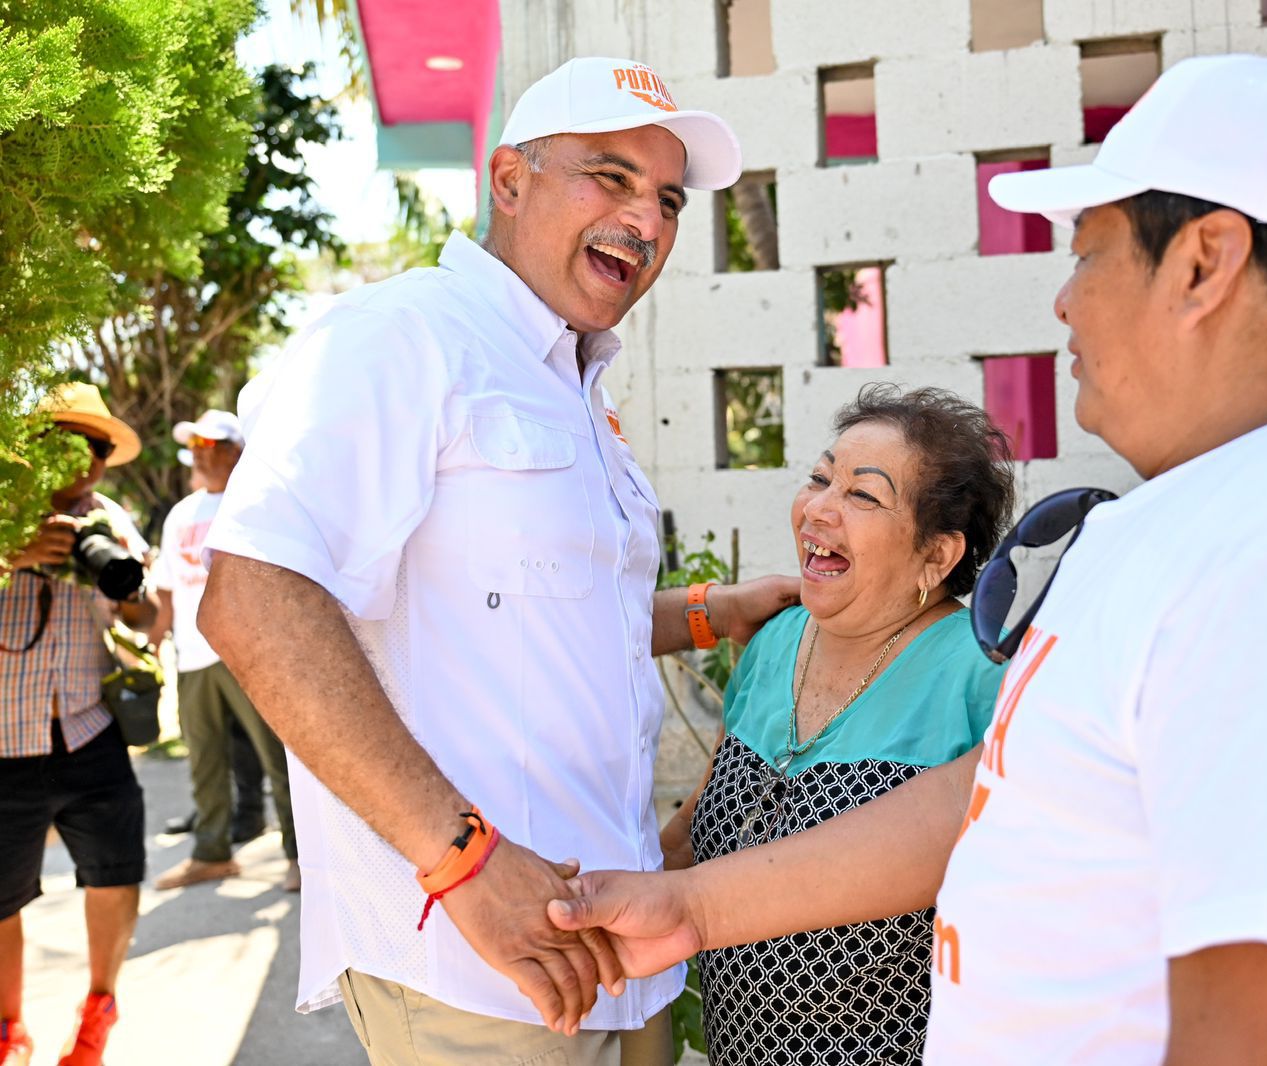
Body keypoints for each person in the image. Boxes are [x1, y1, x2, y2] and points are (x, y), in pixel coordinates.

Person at [548, 55, 1267, 1066]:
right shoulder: (1176, 531)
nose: (1064, 302)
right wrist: (693, 907)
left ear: (1203, 263)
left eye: (1090, 254)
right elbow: (994, 792)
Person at [195, 56, 797, 1066]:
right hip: (482, 968)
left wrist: (716, 609)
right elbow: (253, 596)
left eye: (666, 200)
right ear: (508, 182)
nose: (646, 222)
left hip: (618, 938)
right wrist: (462, 859)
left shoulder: (567, 374)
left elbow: (545, 607)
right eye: (609, 177)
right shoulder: (403, 335)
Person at [658, 384, 1011, 1065]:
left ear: (937, 556)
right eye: (821, 479)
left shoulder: (981, 674)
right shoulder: (777, 642)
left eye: (862, 496)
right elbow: (696, 828)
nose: (818, 508)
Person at [0, 383, 154, 1066]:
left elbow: (148, 619)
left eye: (96, 446)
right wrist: (12, 555)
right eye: (71, 442)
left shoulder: (111, 521)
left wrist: (128, 597)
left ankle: (99, 1007)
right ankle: (10, 1027)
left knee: (115, 874)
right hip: (4, 740)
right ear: (37, 446)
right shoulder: (4, 514)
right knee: (1, 898)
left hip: (90, 732)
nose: (86, 459)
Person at [148, 409, 299, 893]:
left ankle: (300, 855)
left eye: (210, 446)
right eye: (194, 447)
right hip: (192, 655)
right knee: (204, 759)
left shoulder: (257, 501)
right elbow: (169, 590)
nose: (199, 455)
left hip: (252, 651)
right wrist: (152, 641)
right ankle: (211, 854)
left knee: (279, 759)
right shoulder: (180, 515)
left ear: (237, 451)